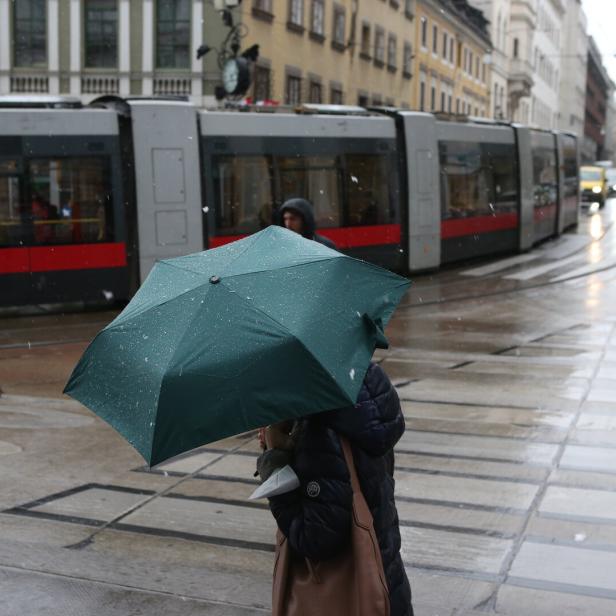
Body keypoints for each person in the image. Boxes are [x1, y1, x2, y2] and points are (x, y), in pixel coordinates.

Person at [257, 362, 413, 616]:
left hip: (349, 599)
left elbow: (316, 537)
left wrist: (275, 462)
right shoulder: (365, 387)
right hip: (386, 579)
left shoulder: (319, 425)